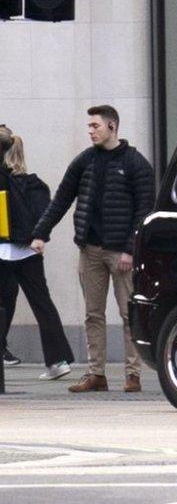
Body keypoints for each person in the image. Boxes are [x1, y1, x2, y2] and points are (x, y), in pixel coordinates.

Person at [30, 105, 155, 392]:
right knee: (93, 314)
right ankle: (96, 373)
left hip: (120, 252)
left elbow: (144, 210)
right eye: (89, 127)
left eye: (95, 126)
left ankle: (132, 374)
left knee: (128, 314)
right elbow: (61, 198)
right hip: (90, 249)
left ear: (112, 126)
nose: (90, 131)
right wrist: (41, 233)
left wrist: (130, 250)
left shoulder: (135, 163)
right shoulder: (85, 161)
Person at [0, 128, 75, 379]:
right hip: (29, 252)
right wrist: (40, 237)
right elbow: (45, 215)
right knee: (43, 305)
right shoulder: (34, 184)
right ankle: (58, 361)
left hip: (3, 251)